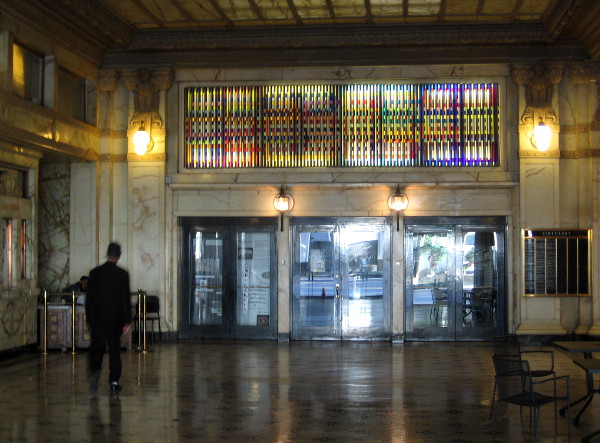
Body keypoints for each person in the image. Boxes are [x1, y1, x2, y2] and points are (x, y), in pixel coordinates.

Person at [86, 242, 131, 394]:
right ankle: (113, 381)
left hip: (98, 320)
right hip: (115, 321)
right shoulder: (122, 275)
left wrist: (89, 319)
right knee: (114, 351)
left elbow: (89, 300)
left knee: (96, 348)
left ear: (107, 254)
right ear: (118, 256)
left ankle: (95, 373)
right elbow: (125, 300)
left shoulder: (94, 273)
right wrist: (127, 321)